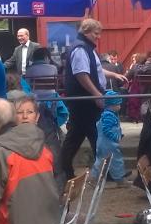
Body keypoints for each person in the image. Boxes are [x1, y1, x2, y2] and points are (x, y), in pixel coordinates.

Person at [60, 19, 114, 178]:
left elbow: (95, 70)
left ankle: (65, 170)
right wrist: (96, 94)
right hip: (85, 102)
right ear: (86, 32)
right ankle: (106, 172)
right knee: (92, 136)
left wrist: (113, 75)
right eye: (96, 33)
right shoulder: (81, 49)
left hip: (83, 101)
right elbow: (81, 74)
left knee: (81, 137)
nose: (99, 37)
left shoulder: (84, 47)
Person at [8, 90, 65, 191]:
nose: (25, 116)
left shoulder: (47, 137)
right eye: (20, 112)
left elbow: (57, 172)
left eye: (29, 112)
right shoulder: (5, 141)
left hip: (47, 192)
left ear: (37, 116)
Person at [92, 90, 126, 183]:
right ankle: (120, 178)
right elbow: (107, 130)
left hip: (101, 143)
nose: (120, 106)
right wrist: (116, 137)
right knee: (116, 160)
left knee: (100, 160)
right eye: (118, 104)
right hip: (109, 144)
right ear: (112, 105)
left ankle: (95, 177)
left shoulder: (107, 114)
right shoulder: (109, 116)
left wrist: (119, 134)